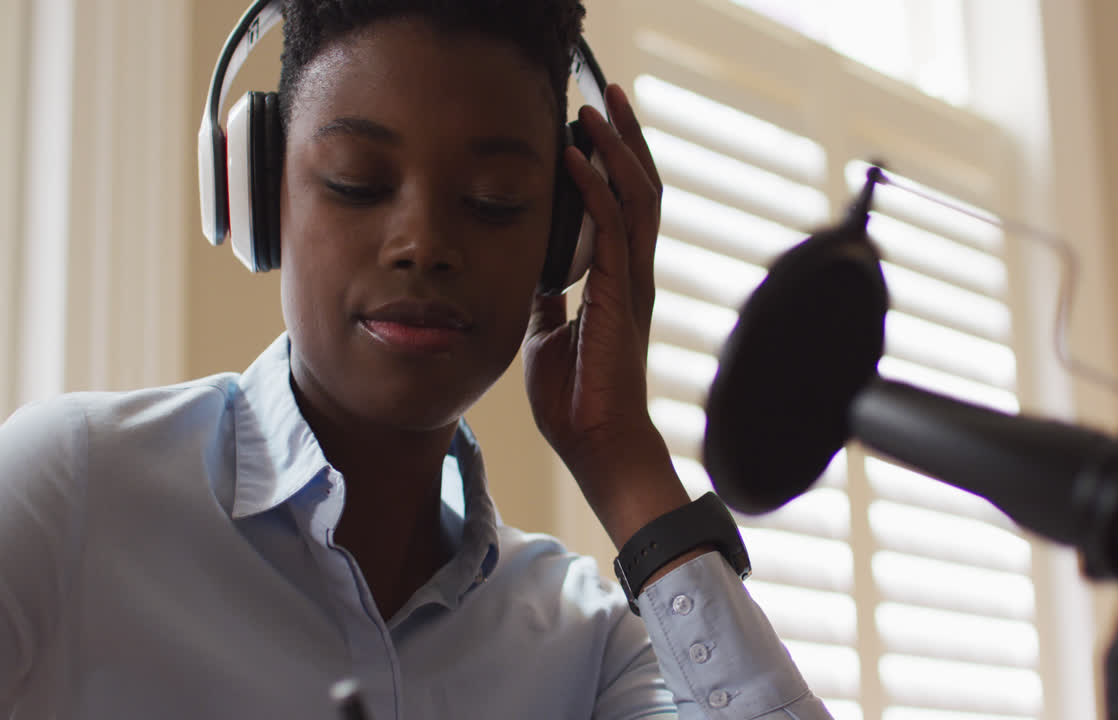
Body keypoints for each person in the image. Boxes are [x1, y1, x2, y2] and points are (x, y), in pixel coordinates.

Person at [0, 1, 832, 718]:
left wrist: (621, 453)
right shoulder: (72, 492)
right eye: (358, 182)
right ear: (257, 194)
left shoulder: (589, 647)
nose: (424, 244)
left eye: (493, 203)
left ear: (564, 239)